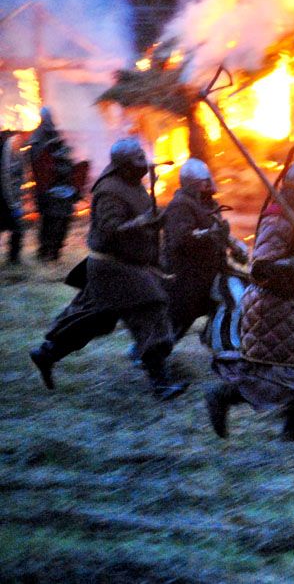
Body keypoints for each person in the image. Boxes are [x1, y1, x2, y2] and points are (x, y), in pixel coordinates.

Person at [28, 138, 188, 400]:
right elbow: (109, 230)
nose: (143, 163)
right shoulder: (110, 191)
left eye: (141, 156)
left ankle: (47, 354)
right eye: (137, 159)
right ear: (123, 166)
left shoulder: (132, 184)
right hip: (114, 268)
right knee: (151, 309)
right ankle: (160, 383)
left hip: (126, 266)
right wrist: (141, 222)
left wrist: (153, 223)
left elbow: (141, 219)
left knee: (95, 319)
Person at [206, 156, 294, 440]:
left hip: (293, 307)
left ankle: (291, 435)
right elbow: (261, 268)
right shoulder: (278, 219)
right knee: (285, 379)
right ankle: (223, 395)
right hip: (271, 306)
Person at [161, 158, 247, 342]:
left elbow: (219, 233)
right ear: (193, 183)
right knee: (176, 323)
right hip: (188, 277)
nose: (209, 184)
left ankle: (223, 344)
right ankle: (144, 352)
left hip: (211, 272)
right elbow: (180, 239)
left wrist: (234, 247)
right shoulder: (180, 205)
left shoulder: (209, 204)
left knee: (234, 299)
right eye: (204, 181)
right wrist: (209, 233)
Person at [28, 108, 78, 261]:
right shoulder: (37, 137)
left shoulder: (55, 134)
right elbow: (38, 163)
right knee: (48, 222)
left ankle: (55, 252)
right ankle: (44, 252)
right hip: (47, 189)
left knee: (62, 221)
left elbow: (66, 157)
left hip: (62, 188)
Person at [1, 130, 25, 264]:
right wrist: (14, 203)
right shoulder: (10, 147)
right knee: (17, 228)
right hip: (6, 200)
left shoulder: (14, 147)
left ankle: (14, 259)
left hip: (9, 199)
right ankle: (13, 259)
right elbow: (7, 176)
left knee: (16, 229)